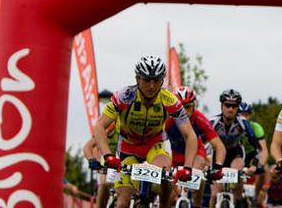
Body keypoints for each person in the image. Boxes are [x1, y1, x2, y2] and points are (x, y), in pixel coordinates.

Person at [93, 56, 196, 208]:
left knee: (165, 176)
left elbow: (190, 136)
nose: (152, 86)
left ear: (162, 80)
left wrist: (187, 167)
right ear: (137, 79)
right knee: (122, 203)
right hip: (128, 147)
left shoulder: (170, 100)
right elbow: (99, 126)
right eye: (147, 80)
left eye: (156, 80)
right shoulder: (125, 96)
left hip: (155, 145)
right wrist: (108, 155)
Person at [166, 86, 226, 206]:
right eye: (180, 107)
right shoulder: (168, 120)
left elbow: (219, 146)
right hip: (175, 156)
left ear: (194, 105)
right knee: (170, 197)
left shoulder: (199, 118)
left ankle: (197, 203)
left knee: (196, 172)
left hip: (195, 154)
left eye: (188, 107)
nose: (184, 112)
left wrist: (218, 166)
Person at [209, 89, 254, 208]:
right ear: (221, 105)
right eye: (227, 105)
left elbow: (255, 144)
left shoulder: (243, 122)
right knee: (214, 194)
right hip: (217, 156)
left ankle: (238, 201)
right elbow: (200, 143)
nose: (230, 109)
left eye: (234, 106)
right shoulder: (213, 121)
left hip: (235, 153)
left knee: (239, 172)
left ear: (237, 107)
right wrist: (204, 161)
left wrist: (255, 164)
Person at [83, 90, 119, 208]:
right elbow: (88, 147)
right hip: (109, 163)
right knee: (105, 184)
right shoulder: (109, 127)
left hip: (126, 162)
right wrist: (92, 160)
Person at [239, 100, 269, 204]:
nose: (243, 117)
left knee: (264, 168)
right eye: (240, 114)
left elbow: (264, 150)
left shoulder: (256, 127)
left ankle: (256, 197)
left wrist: (259, 165)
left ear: (250, 116)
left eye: (246, 115)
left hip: (251, 155)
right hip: (237, 155)